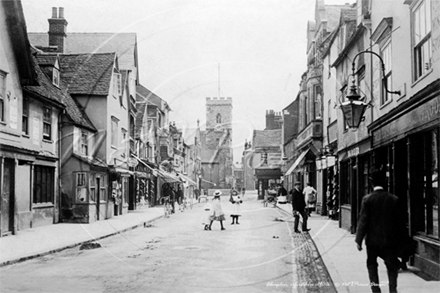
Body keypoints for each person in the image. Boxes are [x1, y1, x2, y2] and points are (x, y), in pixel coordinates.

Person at [355, 170, 404, 293]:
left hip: (372, 241)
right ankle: (393, 289)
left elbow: (363, 221)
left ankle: (375, 289)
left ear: (371, 182)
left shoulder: (367, 199)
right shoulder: (393, 199)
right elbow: (399, 223)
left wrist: (359, 240)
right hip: (389, 240)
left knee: (372, 264)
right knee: (391, 265)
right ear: (385, 182)